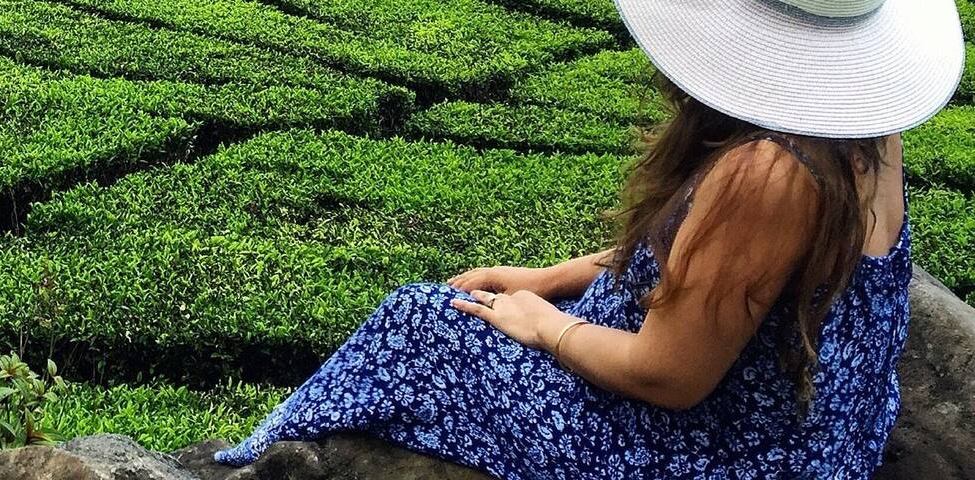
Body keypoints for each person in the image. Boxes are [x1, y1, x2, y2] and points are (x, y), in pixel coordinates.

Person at [213, 0, 965, 477]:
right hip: (821, 426)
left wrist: (547, 327)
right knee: (467, 304)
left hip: (725, 454)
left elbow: (670, 377)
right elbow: (721, 276)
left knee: (417, 321)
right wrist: (551, 275)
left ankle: (244, 463)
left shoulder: (768, 172)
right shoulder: (862, 128)